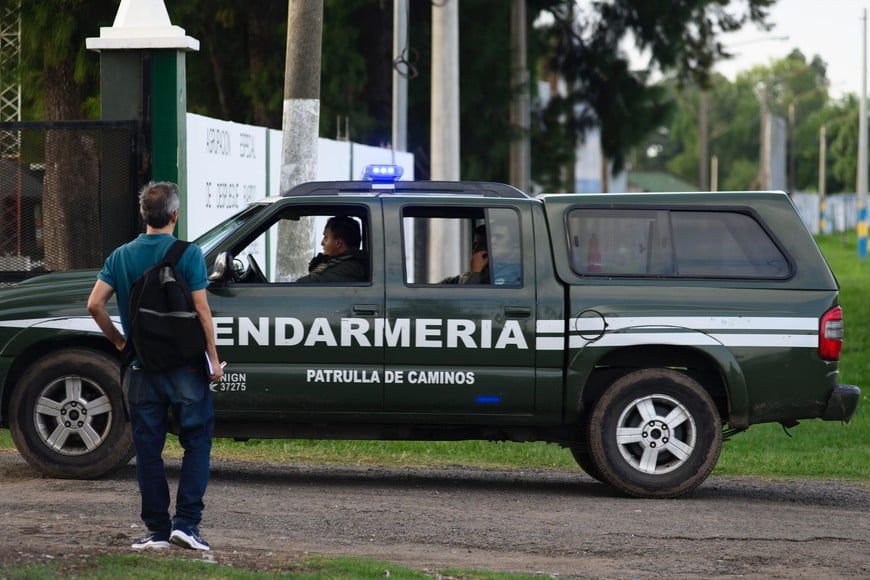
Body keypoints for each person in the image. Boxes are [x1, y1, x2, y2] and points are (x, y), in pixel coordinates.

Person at [87, 182, 223, 552]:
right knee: (197, 442)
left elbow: (95, 305)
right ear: (174, 215)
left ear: (144, 215)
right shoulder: (189, 254)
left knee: (148, 449)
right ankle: (188, 525)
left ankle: (158, 532)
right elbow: (201, 310)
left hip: (140, 367)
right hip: (186, 369)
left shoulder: (121, 256)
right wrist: (212, 357)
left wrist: (120, 342)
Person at [296, 216, 367, 283]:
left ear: (338, 243)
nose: (322, 243)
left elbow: (304, 283)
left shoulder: (350, 267)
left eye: (326, 237)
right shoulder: (340, 261)